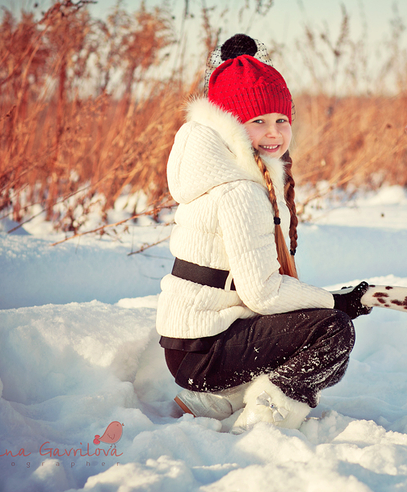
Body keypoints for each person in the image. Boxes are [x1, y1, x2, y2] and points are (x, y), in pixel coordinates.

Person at [156, 34, 371, 432]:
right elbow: (264, 293)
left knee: (314, 332)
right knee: (331, 331)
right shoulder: (240, 190)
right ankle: (265, 416)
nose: (273, 133)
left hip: (194, 342)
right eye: (258, 121)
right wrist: (335, 302)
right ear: (231, 127)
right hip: (203, 350)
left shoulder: (227, 174)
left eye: (280, 120)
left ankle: (220, 399)